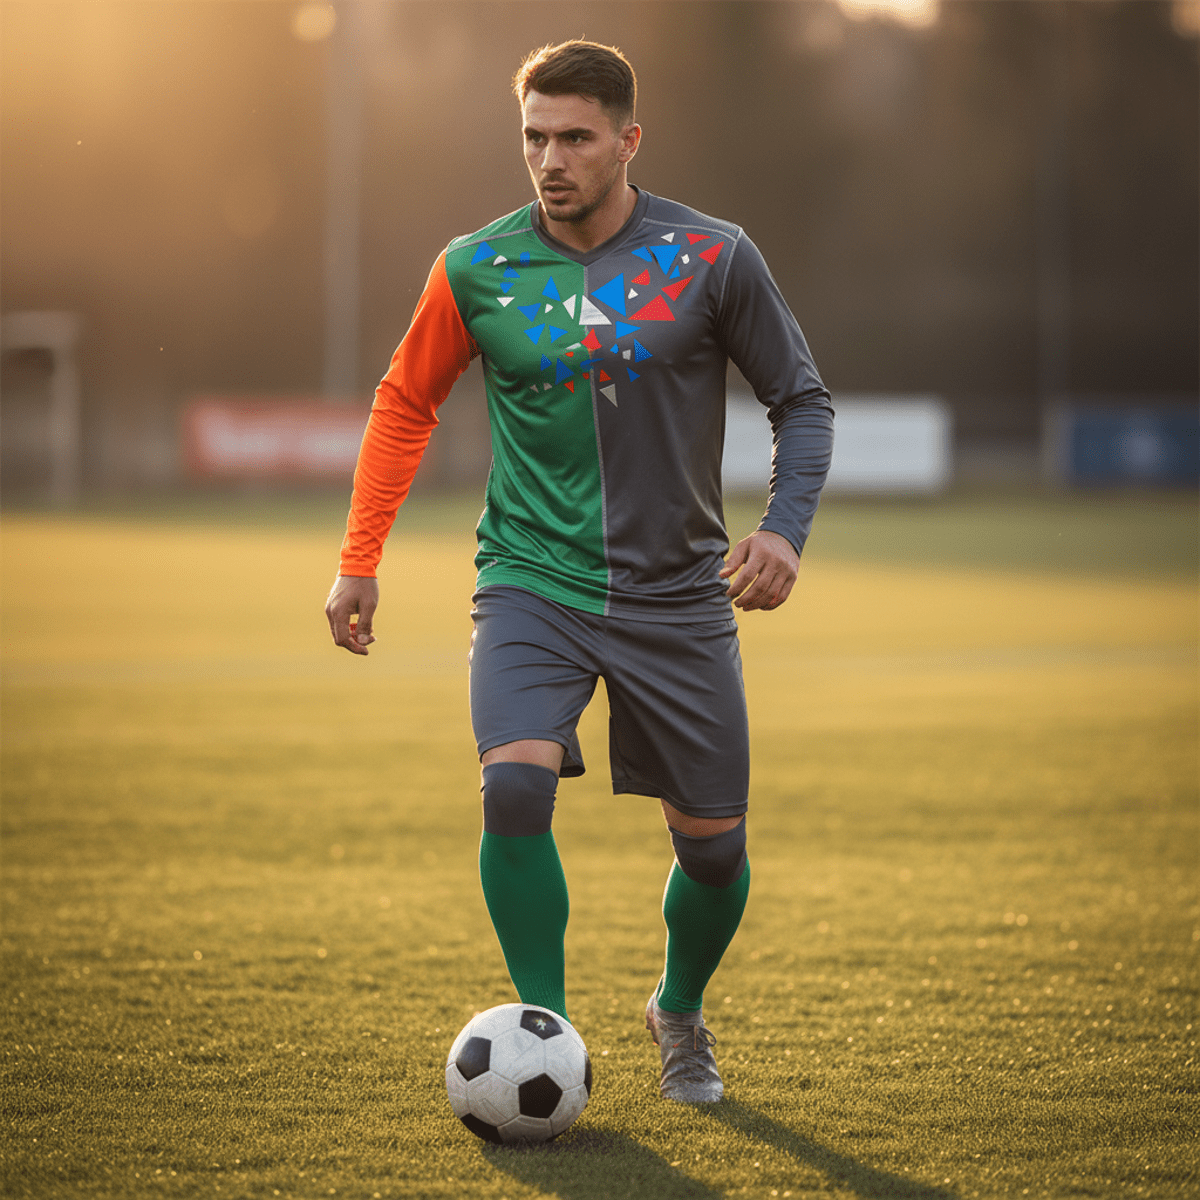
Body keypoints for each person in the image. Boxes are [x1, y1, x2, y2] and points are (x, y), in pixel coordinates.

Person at [325, 39, 833, 1104]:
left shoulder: (713, 255)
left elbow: (801, 398)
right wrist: (358, 559)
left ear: (627, 141)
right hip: (530, 580)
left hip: (677, 596)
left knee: (714, 852)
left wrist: (783, 528)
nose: (549, 159)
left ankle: (677, 1008)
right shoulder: (475, 264)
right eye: (533, 137)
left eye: (575, 138)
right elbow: (404, 403)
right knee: (512, 789)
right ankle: (545, 1032)